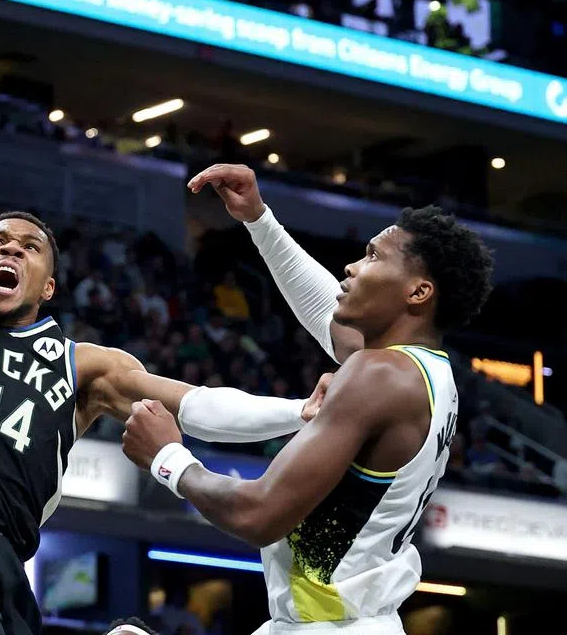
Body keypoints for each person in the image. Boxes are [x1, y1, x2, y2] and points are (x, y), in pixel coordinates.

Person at [0, 0, 328, 635]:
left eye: (28, 246)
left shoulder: (85, 368)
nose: (9, 249)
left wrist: (298, 411)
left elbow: (195, 404)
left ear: (47, 286)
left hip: (5, 569)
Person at [121, 164, 494, 635]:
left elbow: (259, 514)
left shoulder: (379, 375)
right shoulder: (425, 373)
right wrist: (258, 220)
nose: (353, 267)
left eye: (373, 257)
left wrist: (169, 459)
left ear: (418, 292)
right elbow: (325, 308)